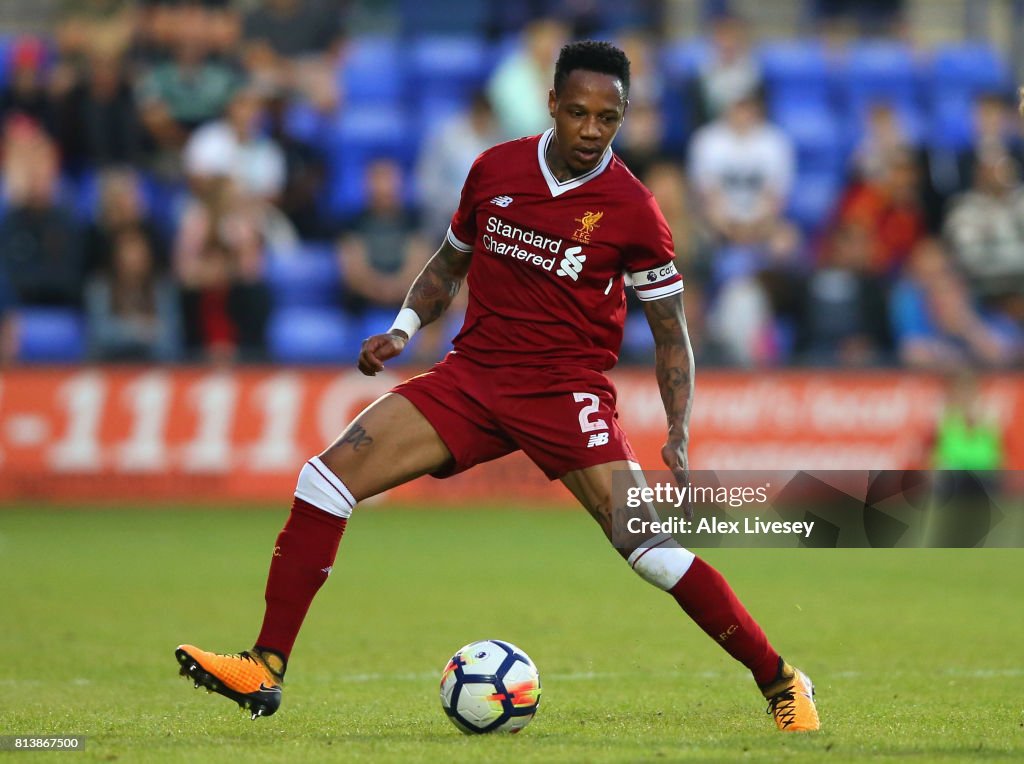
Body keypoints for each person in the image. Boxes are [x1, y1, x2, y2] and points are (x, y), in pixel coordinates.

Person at [174, 41, 820, 733]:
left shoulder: (633, 209)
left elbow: (671, 334)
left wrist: (679, 429)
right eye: (578, 113)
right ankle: (265, 666)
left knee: (652, 552)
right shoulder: (495, 169)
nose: (592, 130)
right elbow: (447, 264)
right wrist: (403, 326)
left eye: (609, 117)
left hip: (564, 390)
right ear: (551, 105)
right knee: (323, 480)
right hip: (474, 376)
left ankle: (781, 679)